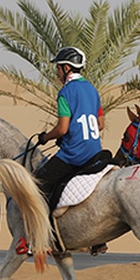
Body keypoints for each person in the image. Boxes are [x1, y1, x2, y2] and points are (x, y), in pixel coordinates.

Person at [35, 46, 104, 208]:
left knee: (38, 185)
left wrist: (45, 137)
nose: (57, 73)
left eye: (58, 68)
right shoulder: (93, 90)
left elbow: (62, 129)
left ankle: (42, 228)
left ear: (67, 68)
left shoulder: (65, 93)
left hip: (74, 154)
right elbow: (100, 125)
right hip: (95, 152)